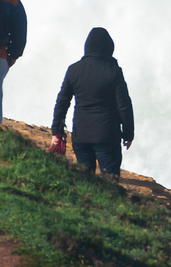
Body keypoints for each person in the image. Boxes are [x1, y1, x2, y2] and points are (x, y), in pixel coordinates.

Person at [49, 27, 135, 177]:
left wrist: (56, 131)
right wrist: (128, 133)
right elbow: (124, 105)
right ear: (109, 48)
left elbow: (62, 102)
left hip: (81, 136)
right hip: (107, 136)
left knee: (85, 181)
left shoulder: (74, 70)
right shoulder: (114, 71)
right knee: (110, 183)